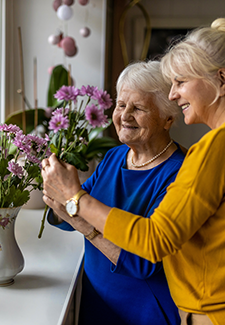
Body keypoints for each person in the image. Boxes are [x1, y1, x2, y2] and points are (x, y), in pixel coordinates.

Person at [41, 16, 225, 325]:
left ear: (221, 81)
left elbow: (152, 242)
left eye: (181, 81)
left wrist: (76, 199)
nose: (175, 94)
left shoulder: (216, 148)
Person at [46, 60, 185, 325]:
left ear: (168, 118)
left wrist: (80, 218)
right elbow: (71, 210)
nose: (124, 115)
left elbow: (143, 262)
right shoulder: (114, 157)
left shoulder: (179, 173)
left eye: (139, 108)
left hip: (144, 311)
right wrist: (55, 188)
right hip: (97, 302)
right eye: (121, 105)